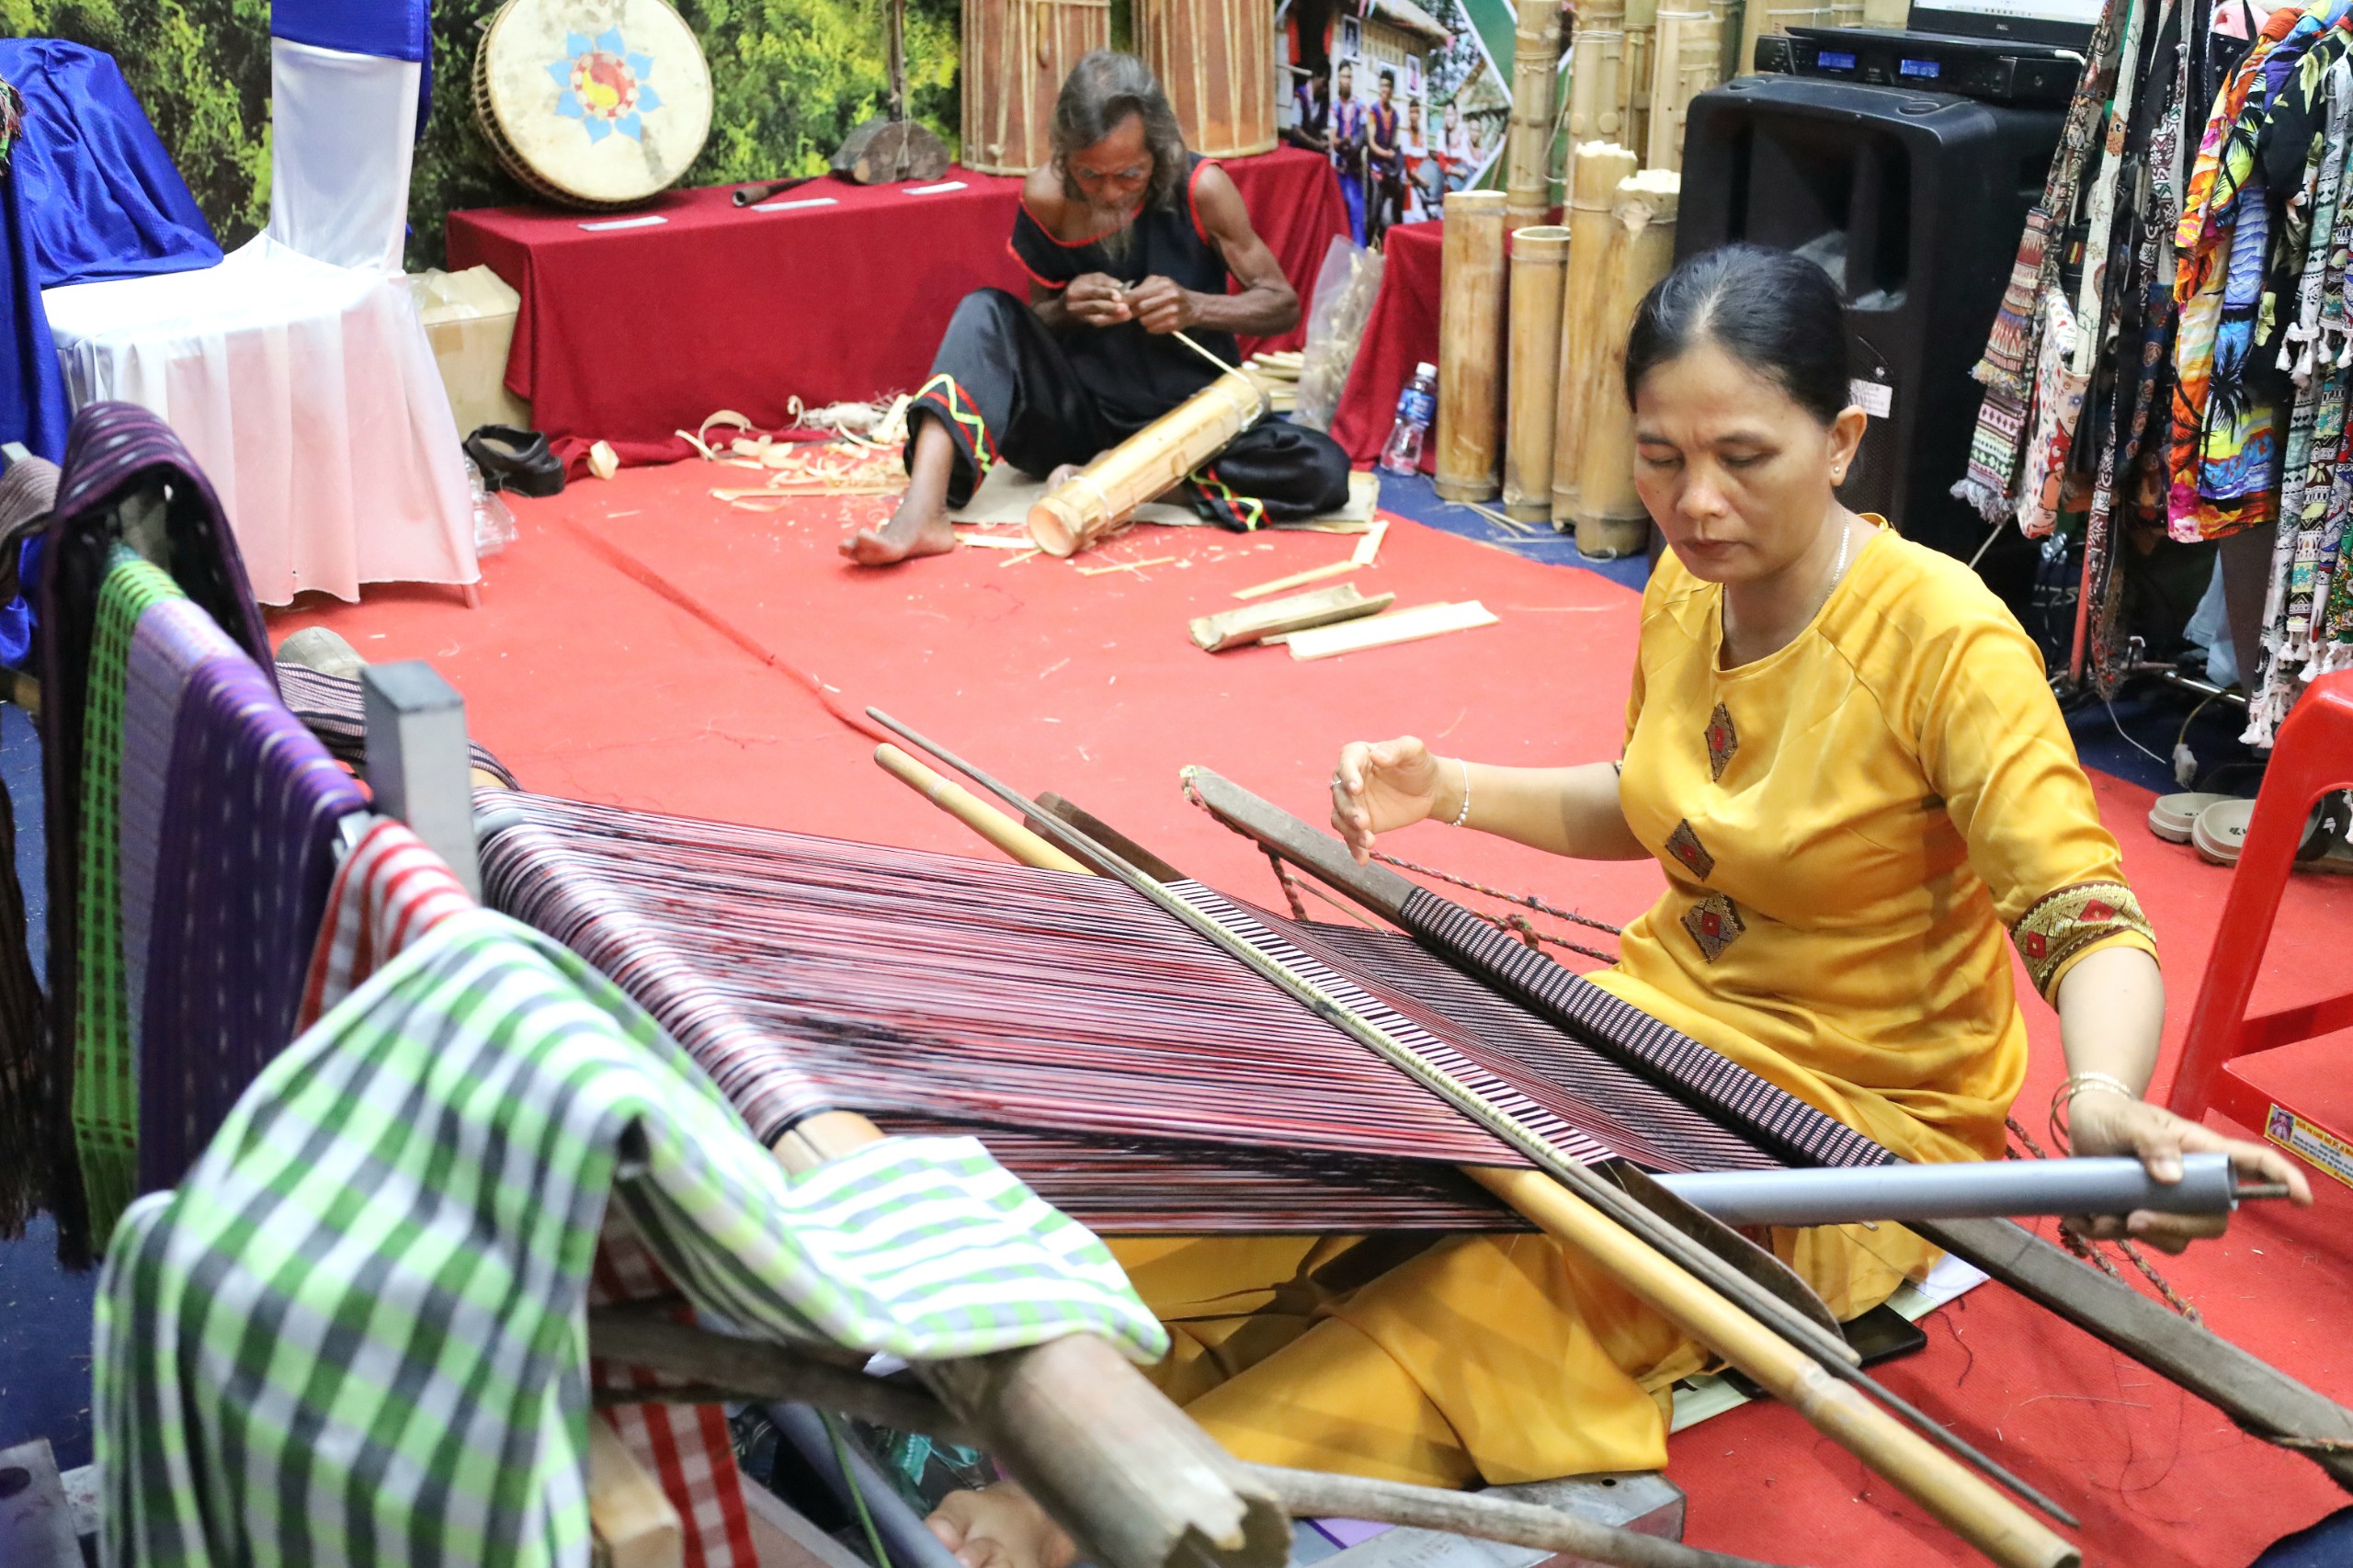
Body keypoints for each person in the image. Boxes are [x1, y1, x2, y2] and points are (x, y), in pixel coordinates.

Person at [919, 244, 2313, 1568]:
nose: (1696, 500)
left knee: (1513, 1280)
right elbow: (1649, 802)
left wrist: (2111, 1089)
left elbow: (2079, 909)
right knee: (1362, 1144)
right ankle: (1016, 1343)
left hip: (1845, 1134)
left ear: (1840, 445)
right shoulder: (1685, 596)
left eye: (1743, 459)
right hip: (1638, 1030)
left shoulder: (1944, 638)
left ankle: (1093, 1505)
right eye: (1662, 456)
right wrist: (1446, 788)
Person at [841, 52, 1350, 565]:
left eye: (1130, 175)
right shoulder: (1048, 195)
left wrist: (1194, 306)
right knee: (984, 310)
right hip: (1078, 421)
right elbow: (1032, 327)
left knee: (1321, 467)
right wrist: (1067, 306)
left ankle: (1126, 480)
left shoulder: (1202, 189)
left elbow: (1281, 305)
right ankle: (921, 512)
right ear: (1065, 158)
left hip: (1189, 426)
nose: (1110, 193)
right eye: (1090, 175)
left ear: (1160, 151)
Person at [1365, 68, 1404, 244]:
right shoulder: (1373, 112)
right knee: (1373, 214)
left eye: (1388, 86)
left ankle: (1382, 251)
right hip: (1375, 167)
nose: (1385, 90)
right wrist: (1387, 154)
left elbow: (1395, 142)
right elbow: (1371, 144)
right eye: (1382, 86)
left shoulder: (1395, 115)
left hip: (1388, 170)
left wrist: (1397, 157)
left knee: (1387, 218)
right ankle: (1366, 248)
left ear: (1392, 90)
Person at [1331, 60, 1369, 244]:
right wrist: (1344, 141)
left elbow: (1364, 132)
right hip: (1339, 170)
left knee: (1357, 218)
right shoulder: (1334, 106)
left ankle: (1359, 262)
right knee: (1339, 217)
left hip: (1354, 169)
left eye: (1348, 76)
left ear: (1351, 79)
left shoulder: (1360, 104)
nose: (1345, 80)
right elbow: (1334, 140)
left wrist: (1353, 143)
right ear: (1338, 80)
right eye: (1342, 77)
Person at [1285, 69, 1330, 154]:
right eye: (1324, 84)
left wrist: (1322, 142)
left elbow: (1317, 131)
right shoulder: (1300, 95)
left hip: (1312, 152)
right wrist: (1317, 145)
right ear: (1316, 77)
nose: (1325, 90)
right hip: (1297, 151)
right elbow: (1296, 130)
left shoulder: (1321, 102)